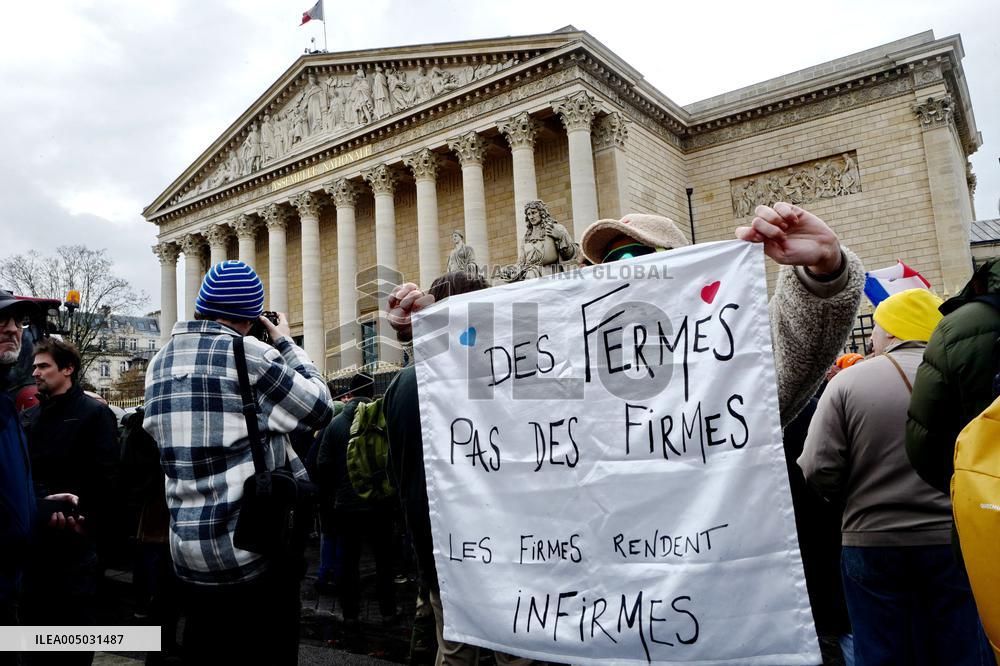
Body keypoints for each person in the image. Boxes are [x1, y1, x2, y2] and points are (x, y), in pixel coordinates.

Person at [143, 260, 334, 665]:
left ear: (201, 307)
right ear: (251, 317)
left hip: (186, 555)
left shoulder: (159, 362)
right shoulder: (251, 354)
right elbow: (320, 407)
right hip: (249, 552)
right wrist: (285, 341)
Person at [798, 289, 987, 665]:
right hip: (954, 538)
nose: (872, 338)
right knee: (961, 648)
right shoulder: (969, 374)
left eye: (877, 328)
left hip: (872, 538)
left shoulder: (848, 382)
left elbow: (817, 465)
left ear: (893, 331)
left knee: (881, 652)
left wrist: (852, 494)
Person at [579, 203, 864, 424]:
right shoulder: (587, 364)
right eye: (608, 264)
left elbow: (790, 348)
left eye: (636, 255)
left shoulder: (725, 351)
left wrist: (825, 268)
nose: (622, 270)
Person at [383, 272, 537, 666]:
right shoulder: (494, 376)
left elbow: (396, 470)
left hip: (436, 547)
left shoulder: (400, 385)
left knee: (453, 651)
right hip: (501, 548)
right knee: (514, 652)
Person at [20, 337, 119, 663]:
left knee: (72, 639)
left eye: (43, 366)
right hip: (35, 540)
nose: (36, 372)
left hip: (76, 544)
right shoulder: (30, 417)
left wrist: (86, 521)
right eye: (35, 366)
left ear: (68, 368)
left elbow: (107, 477)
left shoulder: (94, 413)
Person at [1, 293, 84, 666]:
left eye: (18, 322)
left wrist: (35, 506)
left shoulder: (9, 407)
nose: (13, 330)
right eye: (1, 322)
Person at [316, 372, 398, 626]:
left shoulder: (334, 424)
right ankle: (388, 610)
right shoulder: (384, 420)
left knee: (348, 561)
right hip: (380, 503)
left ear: (349, 393)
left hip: (347, 506)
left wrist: (336, 491)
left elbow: (322, 465)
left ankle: (350, 613)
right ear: (372, 393)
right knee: (384, 560)